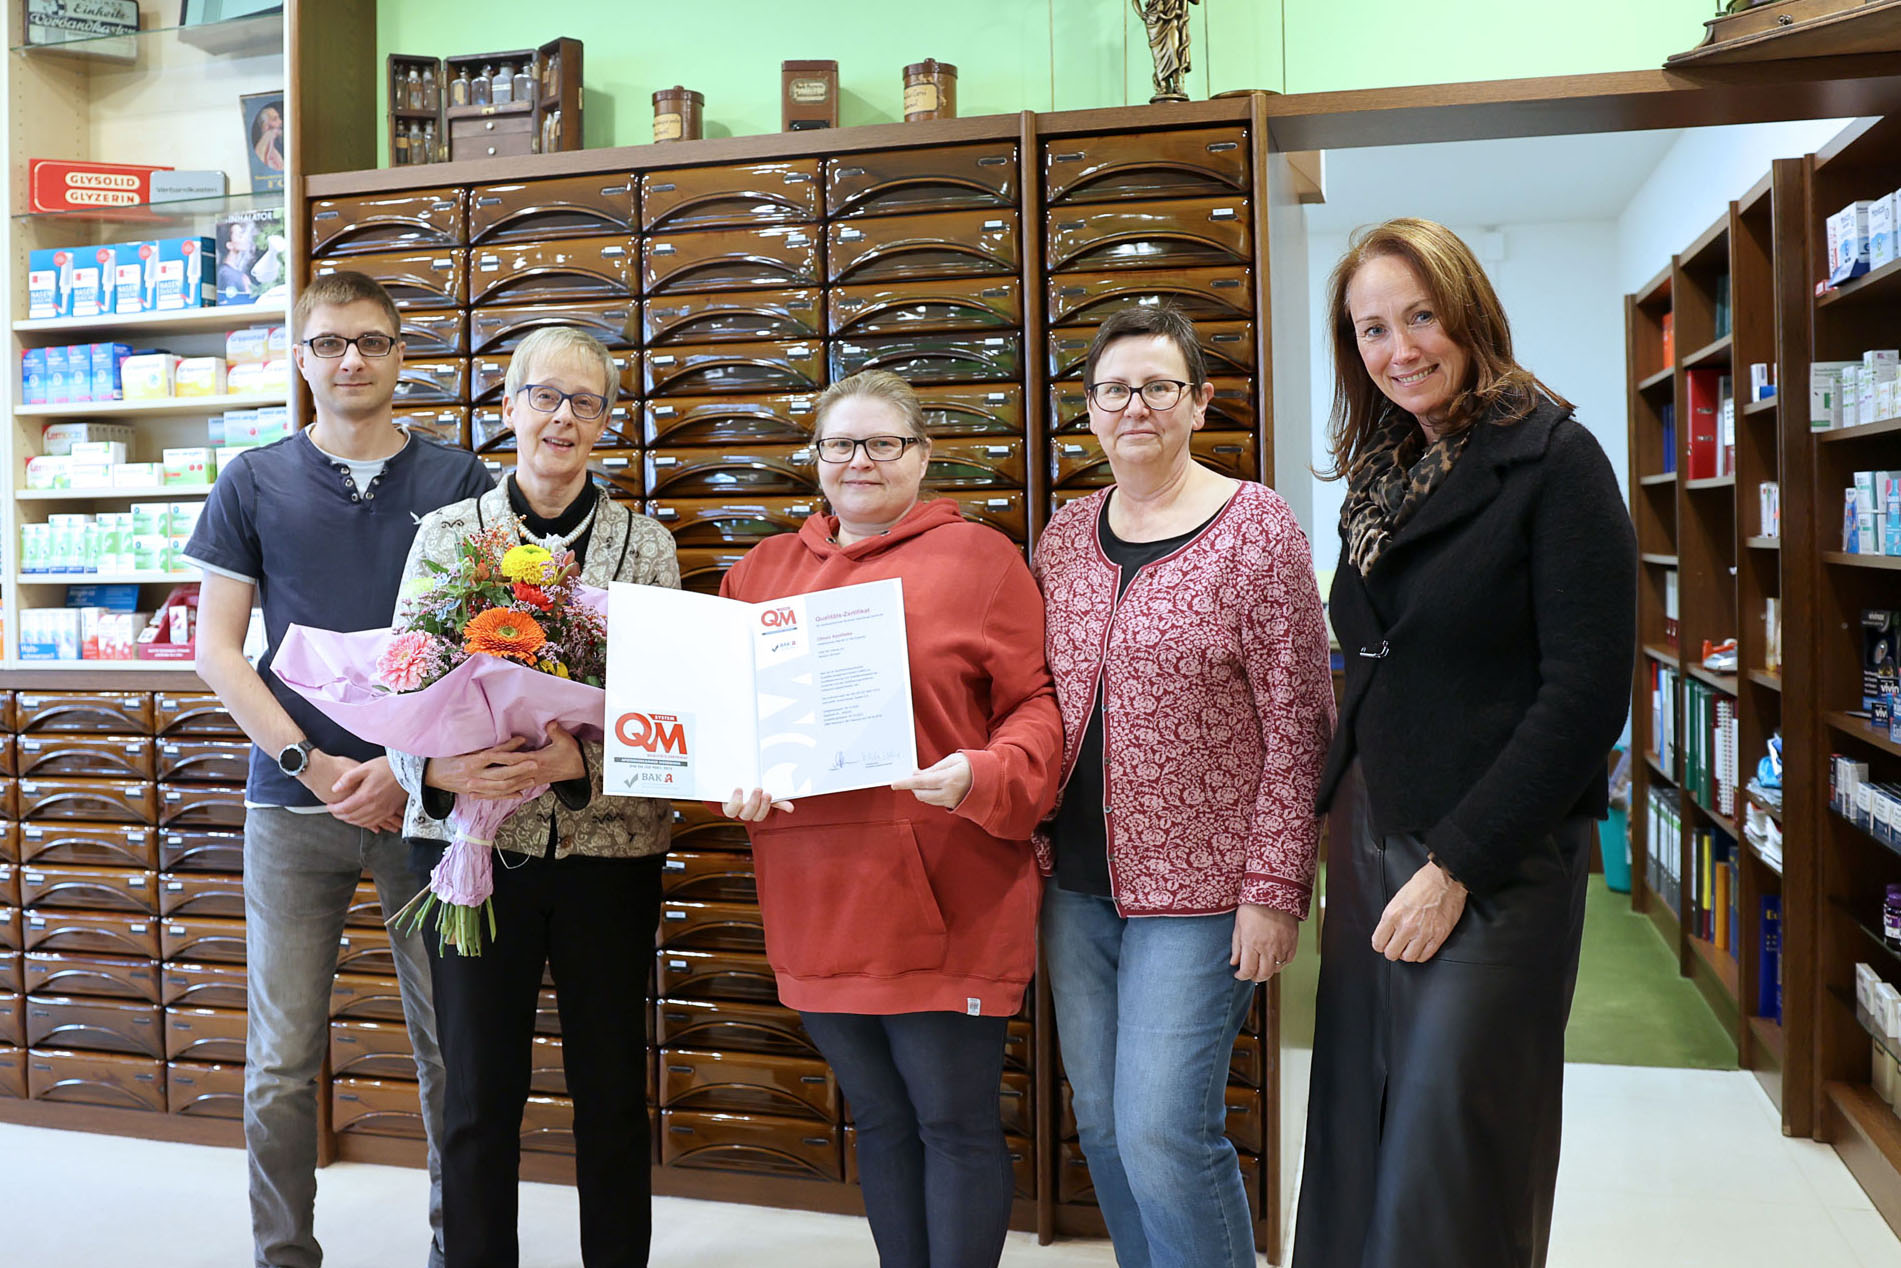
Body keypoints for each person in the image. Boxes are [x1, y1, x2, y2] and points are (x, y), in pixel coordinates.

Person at [1294, 218, 1637, 1268]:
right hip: (1369, 839)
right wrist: (1319, 817)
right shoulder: (1385, 475)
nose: (1398, 349)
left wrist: (1454, 865)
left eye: (1418, 316)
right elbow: (1371, 659)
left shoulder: (1554, 460)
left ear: (1466, 311)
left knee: (1451, 1150)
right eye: (1368, 330)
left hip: (1488, 857)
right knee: (1359, 1127)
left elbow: (1584, 696)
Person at [185, 270, 494, 1268]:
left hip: (428, 804)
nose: (350, 358)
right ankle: (283, 1253)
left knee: (450, 1047)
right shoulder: (253, 479)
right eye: (328, 342)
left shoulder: (462, 483)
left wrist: (409, 770)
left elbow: (494, 649)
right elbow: (219, 648)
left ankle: (462, 1246)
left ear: (401, 355)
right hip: (290, 805)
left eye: (371, 340)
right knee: (280, 1058)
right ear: (303, 358)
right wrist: (308, 761)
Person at [721, 369, 1063, 1268]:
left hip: (946, 887)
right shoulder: (758, 572)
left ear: (921, 455)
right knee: (877, 1117)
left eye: (882, 444)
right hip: (814, 887)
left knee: (952, 1121)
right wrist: (733, 778)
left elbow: (1035, 705)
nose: (859, 462)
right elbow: (727, 723)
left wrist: (985, 770)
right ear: (815, 459)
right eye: (840, 445)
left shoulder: (982, 560)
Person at [1033, 304, 1334, 1268]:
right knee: (1110, 1131)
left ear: (1199, 402)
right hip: (1072, 884)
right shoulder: (1065, 534)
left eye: (1158, 386)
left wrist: (1275, 891)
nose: (1135, 407)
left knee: (1166, 1131)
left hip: (1203, 893)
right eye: (1113, 389)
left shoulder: (1255, 527)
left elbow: (1301, 723)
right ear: (1087, 411)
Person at [385, 327, 677, 1268]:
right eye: (544, 397)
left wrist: (578, 769)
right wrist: (435, 774)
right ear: (506, 408)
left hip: (609, 856)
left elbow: (675, 714)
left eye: (585, 403)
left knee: (610, 1093)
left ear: (605, 425)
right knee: (476, 1094)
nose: (562, 417)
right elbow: (397, 692)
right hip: (475, 856)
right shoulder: (448, 536)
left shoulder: (645, 546)